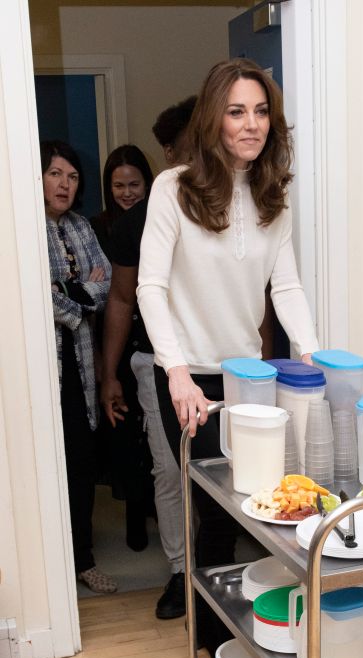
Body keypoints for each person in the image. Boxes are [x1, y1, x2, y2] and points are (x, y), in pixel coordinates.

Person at [137, 59, 319, 655]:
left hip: (248, 377)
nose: (251, 124)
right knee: (209, 511)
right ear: (214, 116)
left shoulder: (273, 196)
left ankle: (246, 634)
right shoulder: (175, 188)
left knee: (253, 506)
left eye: (261, 111)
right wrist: (177, 373)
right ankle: (212, 649)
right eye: (237, 111)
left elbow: (285, 287)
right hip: (189, 377)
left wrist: (315, 354)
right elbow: (150, 287)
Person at [100, 99, 197, 620]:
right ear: (169, 150)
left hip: (226, 362)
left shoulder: (239, 207)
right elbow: (120, 298)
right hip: (151, 362)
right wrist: (108, 373)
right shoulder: (135, 221)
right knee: (169, 469)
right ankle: (183, 571)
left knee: (225, 468)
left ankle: (218, 568)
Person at [41, 139, 116, 594]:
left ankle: (83, 558)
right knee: (47, 462)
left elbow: (104, 280)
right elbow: (33, 290)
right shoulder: (21, 226)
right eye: (55, 174)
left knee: (81, 461)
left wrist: (68, 290)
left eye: (71, 176)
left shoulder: (82, 227)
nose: (64, 183)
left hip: (82, 362)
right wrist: (76, 296)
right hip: (45, 362)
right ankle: (51, 563)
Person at [92, 145, 156, 553]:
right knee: (125, 432)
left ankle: (153, 505)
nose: (127, 193)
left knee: (156, 439)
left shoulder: (158, 222)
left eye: (135, 184)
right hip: (113, 340)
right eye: (119, 185)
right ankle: (135, 512)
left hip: (150, 342)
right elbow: (103, 291)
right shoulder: (95, 227)